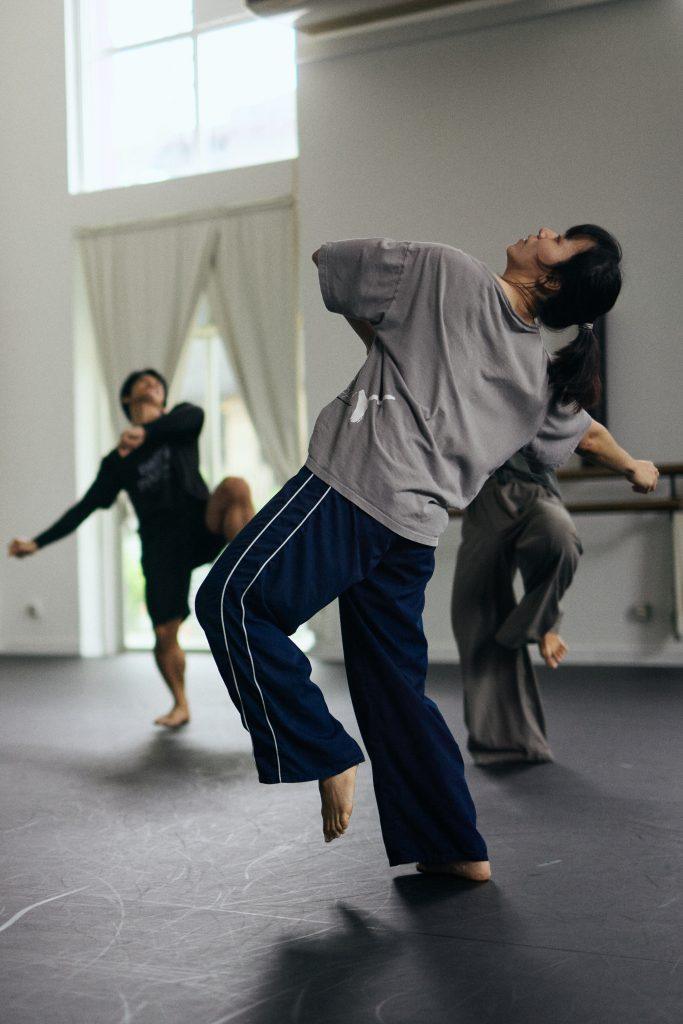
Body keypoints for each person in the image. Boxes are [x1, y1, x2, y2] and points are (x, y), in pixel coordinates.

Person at [194, 226, 659, 882]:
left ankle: (322, 750)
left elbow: (333, 262)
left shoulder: (448, 271)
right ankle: (453, 844)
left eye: (560, 242)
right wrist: (633, 464)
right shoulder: (534, 375)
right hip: (413, 530)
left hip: (353, 487)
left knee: (229, 598)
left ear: (551, 280)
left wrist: (385, 339)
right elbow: (585, 435)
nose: (543, 231)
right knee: (394, 688)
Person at [8, 369, 254, 729]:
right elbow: (84, 508)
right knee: (164, 634)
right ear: (127, 398)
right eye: (144, 381)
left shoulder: (179, 423)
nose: (153, 383)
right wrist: (37, 542)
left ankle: (250, 581)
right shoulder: (117, 462)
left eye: (158, 383)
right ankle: (180, 703)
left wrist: (148, 432)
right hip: (160, 548)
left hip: (201, 524)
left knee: (235, 487)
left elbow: (196, 415)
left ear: (164, 400)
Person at [451, 449, 582, 766]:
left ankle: (542, 624)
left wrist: (631, 466)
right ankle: (505, 745)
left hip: (536, 487)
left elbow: (590, 434)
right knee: (473, 610)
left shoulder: (543, 399)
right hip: (484, 497)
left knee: (559, 538)